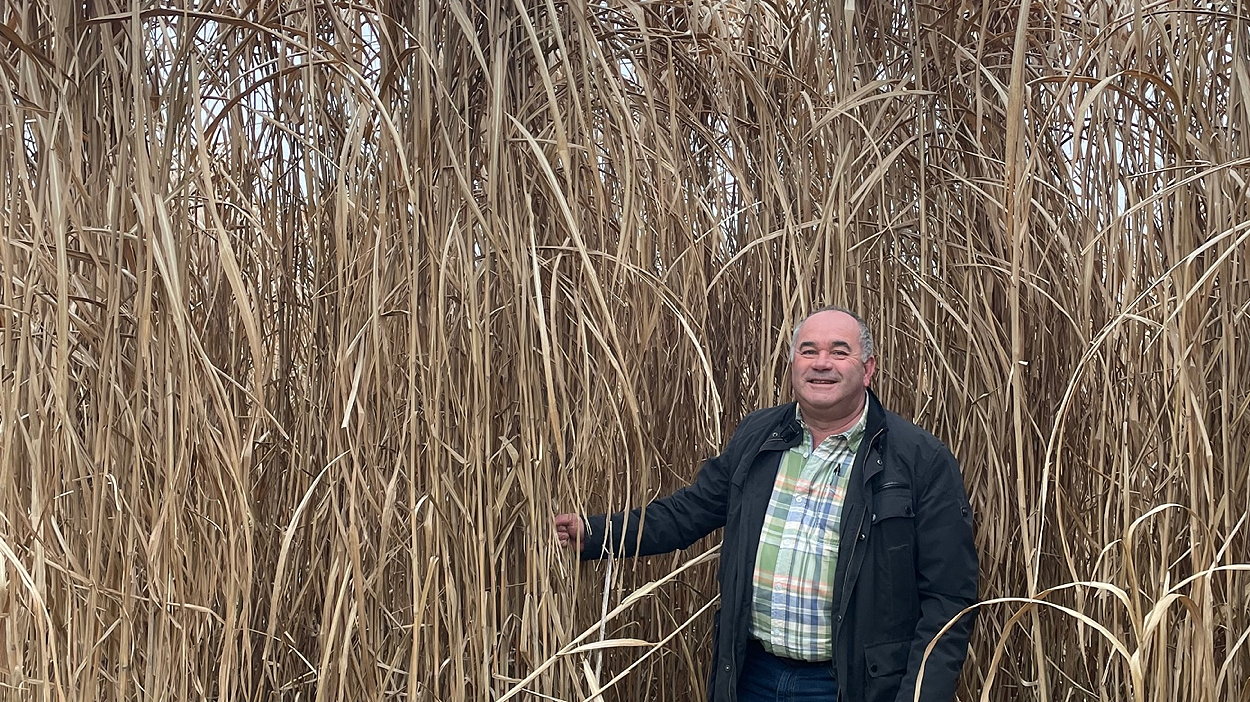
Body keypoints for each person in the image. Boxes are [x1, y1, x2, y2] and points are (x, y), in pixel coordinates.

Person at [554, 307, 978, 702]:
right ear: (793, 364)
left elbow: (948, 598)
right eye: (808, 350)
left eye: (839, 351)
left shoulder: (918, 459)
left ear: (867, 369)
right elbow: (689, 512)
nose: (821, 363)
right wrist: (596, 534)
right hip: (751, 674)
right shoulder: (759, 437)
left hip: (849, 684)